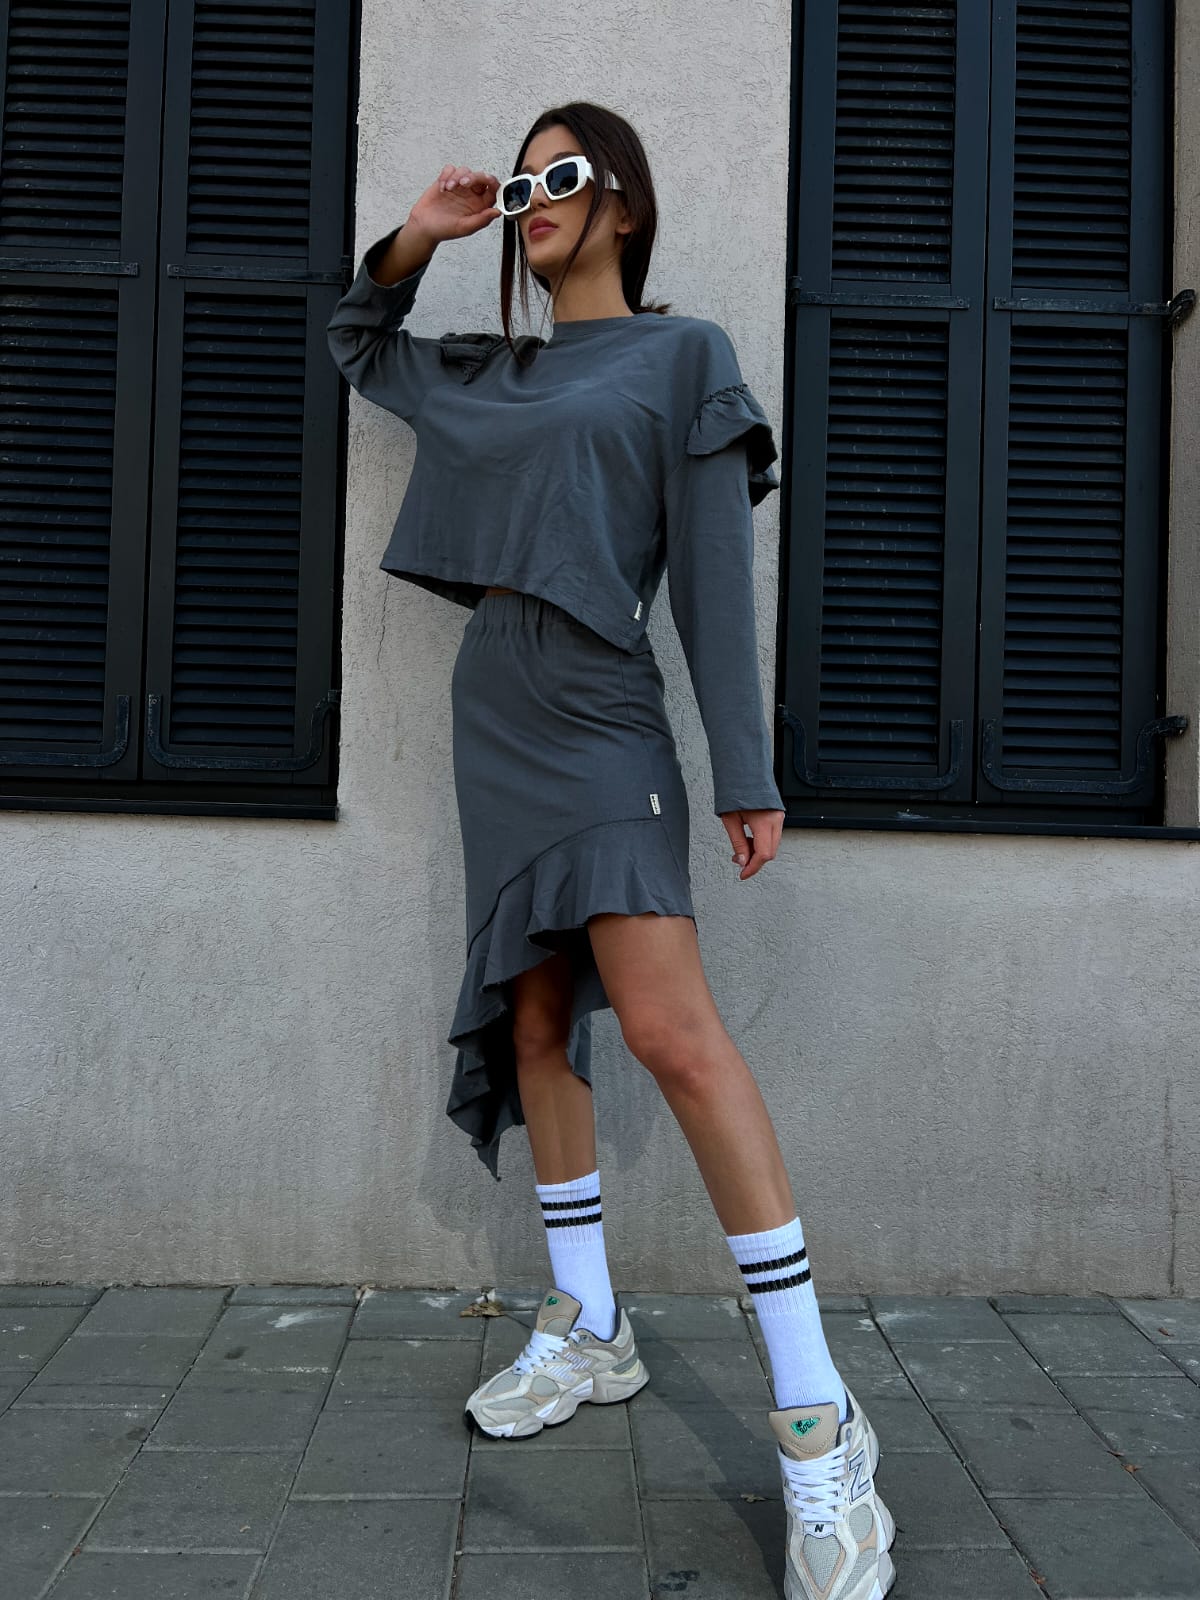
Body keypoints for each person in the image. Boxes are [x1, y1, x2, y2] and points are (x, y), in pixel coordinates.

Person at [326, 101, 895, 1600]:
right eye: (521, 186)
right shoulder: (492, 367)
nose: (535, 203)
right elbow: (357, 341)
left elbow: (710, 581)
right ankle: (588, 1324)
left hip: (600, 718)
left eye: (561, 178)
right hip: (494, 718)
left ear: (624, 205)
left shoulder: (682, 357)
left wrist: (746, 775)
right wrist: (420, 233)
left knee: (670, 1033)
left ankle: (821, 1422)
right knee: (534, 1018)